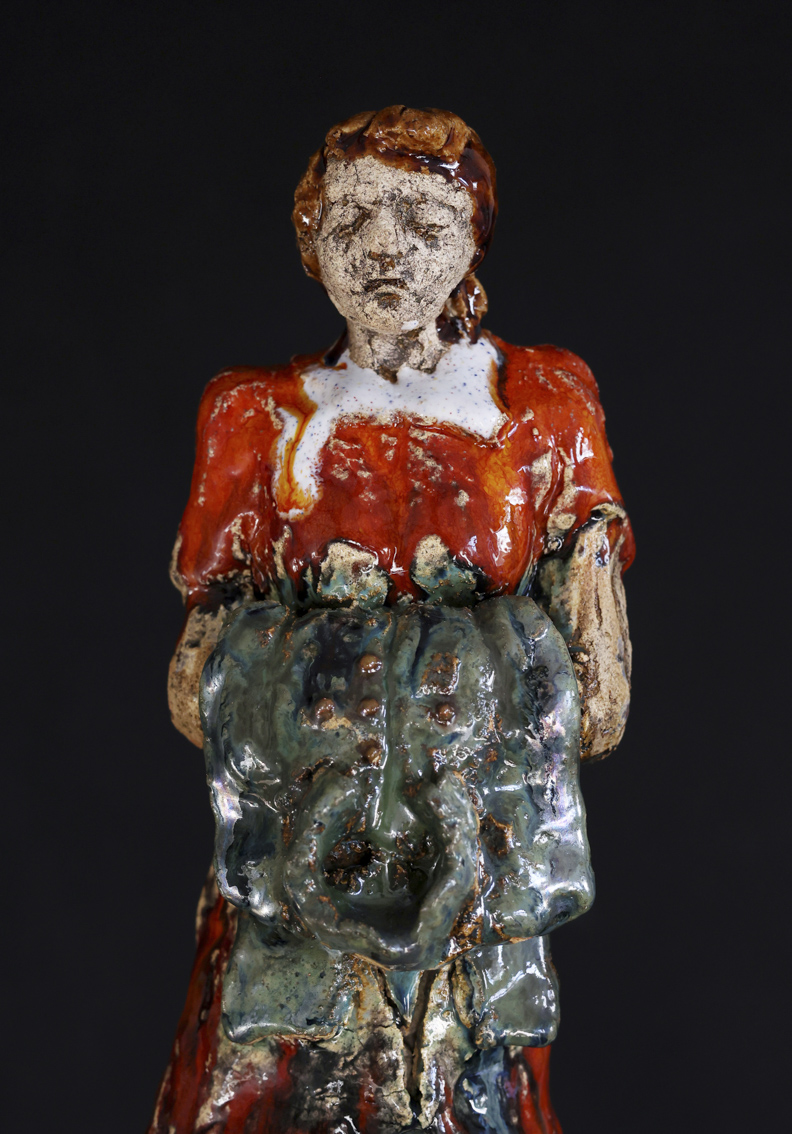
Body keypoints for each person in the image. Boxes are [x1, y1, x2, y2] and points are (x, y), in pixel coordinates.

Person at [152, 106, 633, 1134]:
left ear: (472, 237)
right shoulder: (252, 416)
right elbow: (196, 681)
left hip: (478, 874)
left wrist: (410, 685)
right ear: (310, 239)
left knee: (469, 1098)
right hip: (297, 867)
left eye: (422, 222)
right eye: (353, 220)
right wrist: (388, 684)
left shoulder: (545, 405)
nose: (384, 249)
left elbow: (597, 696)